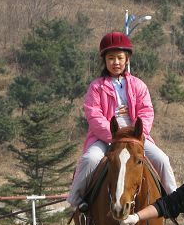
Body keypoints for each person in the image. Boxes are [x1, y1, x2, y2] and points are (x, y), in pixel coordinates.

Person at [67, 31, 177, 209]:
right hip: (106, 137)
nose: (116, 62)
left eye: (120, 58)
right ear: (105, 60)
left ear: (127, 60)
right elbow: (94, 116)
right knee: (90, 159)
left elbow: (146, 111)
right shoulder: (96, 87)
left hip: (135, 137)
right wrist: (114, 135)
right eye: (111, 58)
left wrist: (138, 134)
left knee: (162, 159)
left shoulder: (138, 85)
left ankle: (174, 199)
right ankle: (76, 198)